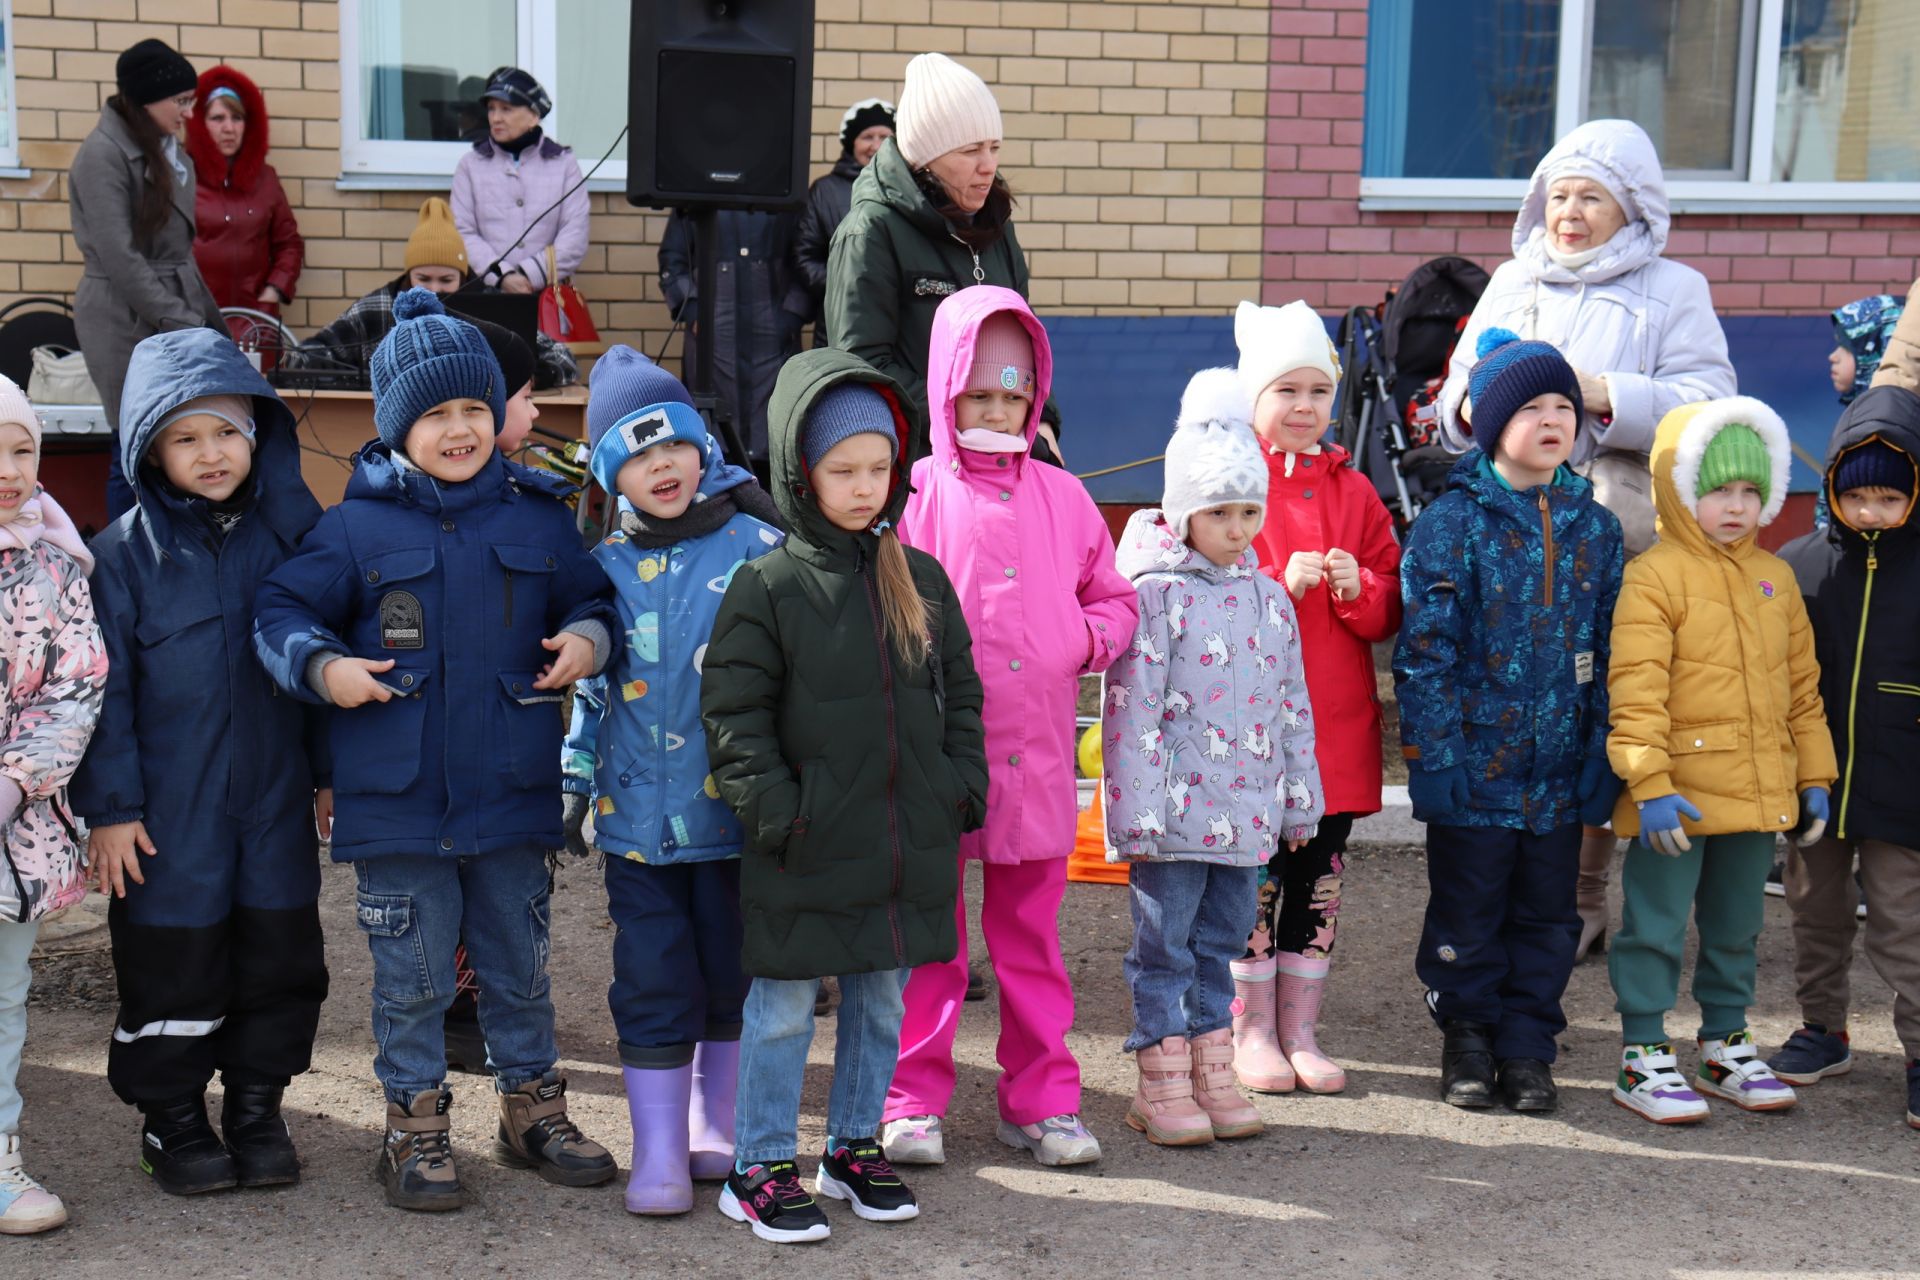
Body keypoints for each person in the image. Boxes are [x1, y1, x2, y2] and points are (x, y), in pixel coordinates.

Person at [251, 290, 617, 1210]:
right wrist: (323, 668)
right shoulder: (351, 528)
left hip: (510, 795)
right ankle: (412, 1127)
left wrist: (586, 640)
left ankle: (531, 1107)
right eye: (436, 414)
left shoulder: (539, 516)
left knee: (519, 969)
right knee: (412, 980)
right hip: (399, 804)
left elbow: (594, 599)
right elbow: (280, 612)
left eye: (475, 411)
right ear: (394, 425)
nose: (459, 430)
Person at [700, 350, 987, 1245]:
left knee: (883, 1001)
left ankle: (853, 1146)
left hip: (905, 840)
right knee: (783, 1008)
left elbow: (962, 696)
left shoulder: (922, 578)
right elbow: (734, 716)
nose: (865, 488)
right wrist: (780, 814)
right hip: (805, 841)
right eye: (842, 471)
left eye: (878, 469)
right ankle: (758, 1165)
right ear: (800, 472)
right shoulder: (769, 586)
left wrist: (958, 789)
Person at [1437, 119, 1736, 968]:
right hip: (1508, 530)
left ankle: (1583, 893)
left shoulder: (1674, 287)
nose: (1569, 213)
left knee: (1601, 699)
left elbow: (1709, 398)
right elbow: (1456, 393)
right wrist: (1472, 409)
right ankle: (1515, 881)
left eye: (1590, 197)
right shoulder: (1511, 279)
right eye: (1558, 195)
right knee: (1520, 694)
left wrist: (1605, 392)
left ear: (1629, 206)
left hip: (1615, 528)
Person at [880, 288, 1135, 1169]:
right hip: (933, 759)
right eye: (979, 395)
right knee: (930, 941)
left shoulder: (1065, 499)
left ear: (1035, 400)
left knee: (1030, 944)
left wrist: (1085, 639)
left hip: (1035, 757)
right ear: (946, 393)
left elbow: (1113, 597)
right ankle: (910, 1097)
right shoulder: (911, 494)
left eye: (1012, 396)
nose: (996, 411)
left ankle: (1044, 1099)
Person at [71, 328, 328, 1195]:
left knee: (278, 957)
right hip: (167, 817)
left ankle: (256, 1108)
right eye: (184, 437)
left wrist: (328, 776)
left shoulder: (296, 542)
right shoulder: (119, 559)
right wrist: (110, 808)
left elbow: (324, 666)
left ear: (257, 435)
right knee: (172, 967)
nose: (211, 453)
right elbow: (103, 699)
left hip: (274, 804)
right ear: (149, 449)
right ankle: (173, 1122)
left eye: (226, 430)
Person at [559, 348, 783, 1216]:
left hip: (735, 817)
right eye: (636, 454)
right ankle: (655, 1149)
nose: (661, 467)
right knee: (651, 977)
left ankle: (711, 1123)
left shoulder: (760, 549)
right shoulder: (604, 566)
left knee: (729, 970)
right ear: (613, 474)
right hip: (638, 828)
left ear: (704, 449)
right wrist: (574, 779)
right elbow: (588, 685)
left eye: (674, 447)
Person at [1396, 330, 1625, 1113]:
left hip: (1558, 776)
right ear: (1492, 423)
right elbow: (1424, 651)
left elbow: (1608, 646)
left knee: (1547, 915)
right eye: (1531, 406)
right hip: (1476, 771)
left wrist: (1601, 751)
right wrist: (1433, 755)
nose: (1552, 418)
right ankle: (1466, 1038)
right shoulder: (1453, 524)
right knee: (1469, 907)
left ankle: (1528, 1046)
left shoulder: (1595, 528)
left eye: (1564, 404)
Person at [1102, 367, 1323, 1146]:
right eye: (1218, 511)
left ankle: (1210, 1067)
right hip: (1172, 820)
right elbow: (1134, 712)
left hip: (1245, 819)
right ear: (1183, 512)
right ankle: (1160, 1080)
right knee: (1164, 945)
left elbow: (1292, 704)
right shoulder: (1156, 596)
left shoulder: (1269, 602)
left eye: (1249, 511)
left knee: (1221, 944)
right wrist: (1135, 815)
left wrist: (1299, 799)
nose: (1237, 527)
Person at [1604, 396, 1835, 1125]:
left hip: (1759, 793)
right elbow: (1635, 691)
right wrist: (1649, 782)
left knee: (1738, 924)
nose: (1735, 506)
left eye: (1749, 491)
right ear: (1679, 487)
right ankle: (1643, 1051)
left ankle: (1724, 1042)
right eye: (1717, 489)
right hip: (1677, 798)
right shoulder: (1654, 577)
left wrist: (1814, 777)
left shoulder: (1775, 579)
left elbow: (1804, 692)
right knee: (1655, 925)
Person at [1229, 299, 1402, 1095]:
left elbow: (1389, 606)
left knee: (1321, 878)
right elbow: (1206, 596)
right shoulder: (1231, 481)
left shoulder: (1358, 491)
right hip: (1252, 731)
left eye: (1317, 393)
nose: (1303, 408)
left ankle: (1301, 1030)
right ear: (1252, 398)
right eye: (1285, 391)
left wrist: (1356, 585)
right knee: (1255, 881)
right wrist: (1275, 585)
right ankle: (1251, 1030)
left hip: (1331, 729)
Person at [1772, 386, 1920, 1131]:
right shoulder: (1798, 567)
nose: (1870, 512)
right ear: (1830, 487)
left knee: (1907, 923)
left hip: (1907, 789)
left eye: (1889, 498)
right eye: (1856, 494)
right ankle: (1822, 1028)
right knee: (1814, 911)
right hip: (1815, 784)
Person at [826, 52, 1054, 460]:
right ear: (925, 160)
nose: (988, 166)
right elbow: (862, 363)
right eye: (970, 151)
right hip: (916, 467)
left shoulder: (997, 225)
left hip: (1001, 454)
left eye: (994, 147)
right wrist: (964, 419)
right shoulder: (871, 231)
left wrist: (1044, 418)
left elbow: (1024, 342)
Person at [0, 375, 108, 1234]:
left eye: (22, 449)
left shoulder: (55, 564)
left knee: (2, 997)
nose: (8, 469)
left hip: (14, 828)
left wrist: (13, 781)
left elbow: (74, 688)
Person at [69, 38, 227, 518]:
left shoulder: (165, 149)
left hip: (166, 304)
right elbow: (120, 257)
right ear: (143, 101)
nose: (189, 113)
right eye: (180, 102)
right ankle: (125, 566)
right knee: (132, 448)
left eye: (191, 101)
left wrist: (211, 324)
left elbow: (178, 253)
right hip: (120, 318)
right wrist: (182, 321)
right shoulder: (102, 155)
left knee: (173, 440)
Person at [283, 197, 577, 389]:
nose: (434, 289)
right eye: (423, 278)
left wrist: (531, 377)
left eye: (446, 279)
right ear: (408, 274)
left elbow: (563, 359)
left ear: (463, 276)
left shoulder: (490, 307)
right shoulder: (376, 307)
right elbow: (302, 359)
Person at [659, 210, 810, 465]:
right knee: (713, 439)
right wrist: (695, 312)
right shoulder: (697, 192)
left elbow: (806, 260)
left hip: (773, 339)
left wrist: (792, 316)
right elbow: (673, 261)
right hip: (713, 338)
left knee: (777, 432)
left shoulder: (781, 191)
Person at [450, 67, 588, 294]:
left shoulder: (564, 164)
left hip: (547, 298)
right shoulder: (471, 165)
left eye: (506, 109)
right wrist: (502, 276)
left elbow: (575, 234)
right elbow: (461, 231)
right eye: (491, 109)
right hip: (487, 296)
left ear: (533, 115)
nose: (495, 117)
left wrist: (528, 275)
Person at [186, 65, 302, 317]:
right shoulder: (182, 177)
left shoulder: (266, 178)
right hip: (197, 320)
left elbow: (289, 244)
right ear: (200, 123)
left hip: (256, 320)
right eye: (218, 118)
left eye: (237, 118)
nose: (229, 128)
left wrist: (274, 290)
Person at [796, 99, 895, 348]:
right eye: (867, 136)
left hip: (895, 323)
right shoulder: (825, 191)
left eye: (884, 136)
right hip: (836, 325)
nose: (876, 145)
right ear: (852, 142)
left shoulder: (912, 191)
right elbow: (805, 257)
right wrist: (845, 285)